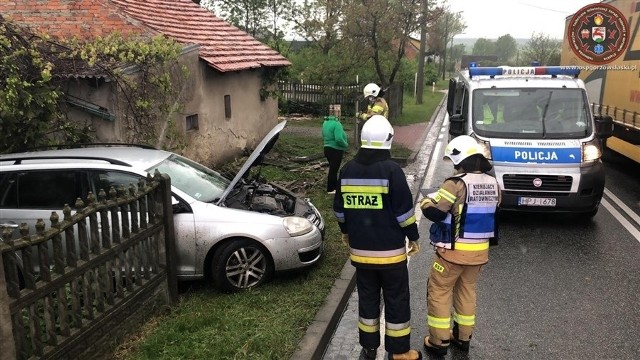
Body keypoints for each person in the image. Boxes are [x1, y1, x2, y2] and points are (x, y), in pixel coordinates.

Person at [333, 115, 422, 360]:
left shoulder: (347, 170)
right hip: (390, 254)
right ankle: (399, 352)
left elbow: (339, 210)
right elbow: (403, 212)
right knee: (396, 299)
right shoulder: (392, 171)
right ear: (388, 141)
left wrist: (345, 232)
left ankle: (369, 348)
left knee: (368, 301)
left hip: (361, 254)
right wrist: (413, 237)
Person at [419, 135, 500, 356]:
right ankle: (463, 338)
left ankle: (439, 341)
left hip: (452, 253)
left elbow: (436, 212)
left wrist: (426, 201)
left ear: (460, 160)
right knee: (467, 291)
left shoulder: (455, 184)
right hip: (479, 254)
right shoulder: (493, 183)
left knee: (439, 291)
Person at [322, 115, 349, 194]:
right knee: (334, 170)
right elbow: (339, 138)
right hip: (336, 149)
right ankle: (330, 189)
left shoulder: (325, 123)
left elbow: (323, 135)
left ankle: (335, 187)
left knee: (333, 169)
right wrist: (346, 145)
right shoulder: (337, 124)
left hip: (327, 148)